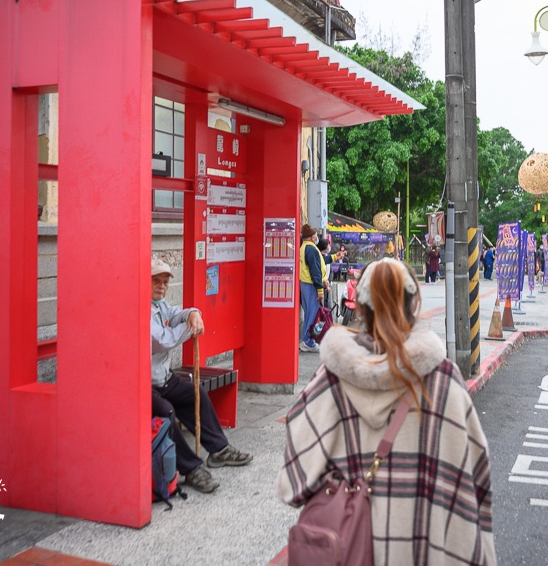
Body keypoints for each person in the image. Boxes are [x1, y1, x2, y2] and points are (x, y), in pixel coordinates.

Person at [277, 258, 496, 564]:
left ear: (361, 309)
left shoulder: (330, 379)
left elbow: (293, 482)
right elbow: (476, 472)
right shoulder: (443, 380)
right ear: (414, 305)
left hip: (353, 547)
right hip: (428, 546)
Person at [150, 259, 253, 494]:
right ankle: (191, 468)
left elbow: (177, 314)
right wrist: (191, 327)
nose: (162, 286)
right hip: (143, 384)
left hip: (162, 378)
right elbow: (162, 340)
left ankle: (219, 450)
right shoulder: (142, 308)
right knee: (166, 412)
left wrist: (194, 313)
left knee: (196, 394)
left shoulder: (160, 305)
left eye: (165, 282)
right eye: (156, 281)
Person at [299, 224, 328, 353]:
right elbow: (315, 271)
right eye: (316, 235)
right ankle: (308, 341)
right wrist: (320, 290)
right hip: (310, 285)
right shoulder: (311, 249)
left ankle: (307, 340)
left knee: (309, 313)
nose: (317, 237)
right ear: (312, 237)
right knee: (313, 314)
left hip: (304, 284)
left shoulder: (304, 247)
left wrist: (333, 258)